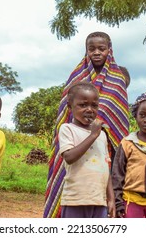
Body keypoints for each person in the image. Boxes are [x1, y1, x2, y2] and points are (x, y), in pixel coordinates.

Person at [44, 31, 129, 218]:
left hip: (105, 145)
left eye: (101, 48)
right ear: (86, 51)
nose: (96, 52)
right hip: (75, 140)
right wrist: (90, 133)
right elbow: (65, 112)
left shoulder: (117, 80)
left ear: (110, 50)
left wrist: (101, 131)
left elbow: (119, 116)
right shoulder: (76, 76)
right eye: (92, 49)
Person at [58, 81, 115, 218]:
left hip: (99, 201)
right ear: (70, 107)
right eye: (83, 105)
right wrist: (93, 135)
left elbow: (105, 167)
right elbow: (69, 157)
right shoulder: (67, 129)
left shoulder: (102, 135)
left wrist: (111, 198)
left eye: (94, 106)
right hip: (75, 200)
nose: (89, 109)